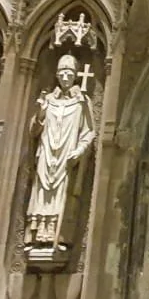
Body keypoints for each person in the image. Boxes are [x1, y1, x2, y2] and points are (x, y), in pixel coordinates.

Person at [25, 53, 96, 251]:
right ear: (57, 75)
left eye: (70, 73)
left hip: (67, 156)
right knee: (41, 193)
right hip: (47, 154)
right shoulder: (47, 100)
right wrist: (40, 112)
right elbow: (34, 131)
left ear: (75, 76)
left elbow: (89, 132)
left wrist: (80, 150)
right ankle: (37, 235)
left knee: (63, 195)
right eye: (62, 73)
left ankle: (60, 236)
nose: (66, 77)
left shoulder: (82, 102)